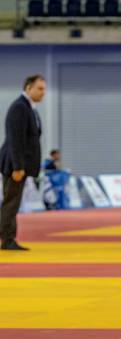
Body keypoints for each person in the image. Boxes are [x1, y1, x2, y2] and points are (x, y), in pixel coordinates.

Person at [0, 75, 46, 251]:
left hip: (19, 163)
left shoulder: (29, 108)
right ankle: (7, 239)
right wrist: (18, 167)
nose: (43, 93)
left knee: (13, 202)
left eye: (44, 89)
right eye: (40, 89)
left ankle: (8, 237)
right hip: (14, 164)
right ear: (28, 88)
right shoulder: (20, 107)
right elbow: (16, 140)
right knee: (11, 203)